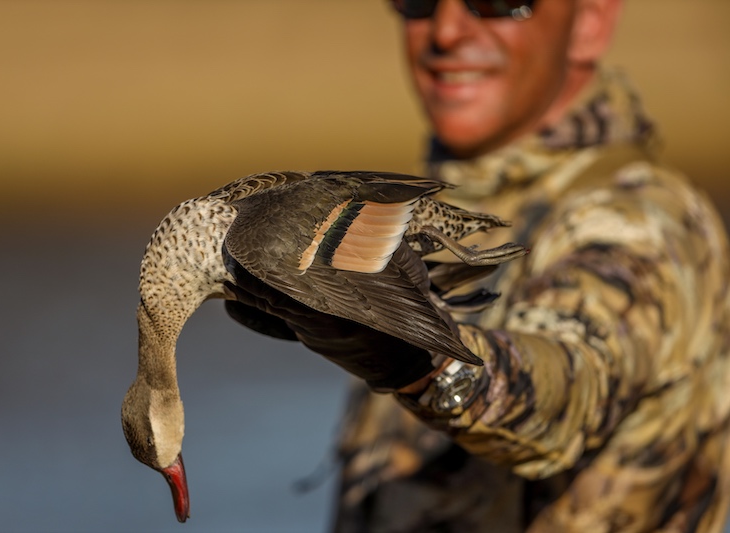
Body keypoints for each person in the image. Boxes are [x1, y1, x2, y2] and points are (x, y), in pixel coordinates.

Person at [232, 0, 730, 530]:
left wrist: (424, 363)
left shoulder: (643, 222)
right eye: (419, 0)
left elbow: (572, 386)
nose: (445, 29)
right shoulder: (421, 212)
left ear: (591, 20)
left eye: (495, 0)